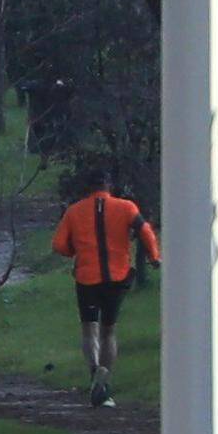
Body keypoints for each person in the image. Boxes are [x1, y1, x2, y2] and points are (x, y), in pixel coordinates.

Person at [50, 171, 158, 406]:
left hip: (87, 277)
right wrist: (154, 257)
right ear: (109, 187)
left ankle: (93, 373)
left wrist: (74, 252)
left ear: (88, 189)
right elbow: (145, 231)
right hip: (117, 277)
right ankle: (105, 381)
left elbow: (58, 244)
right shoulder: (126, 207)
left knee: (90, 328)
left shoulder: (74, 211)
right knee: (109, 330)